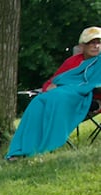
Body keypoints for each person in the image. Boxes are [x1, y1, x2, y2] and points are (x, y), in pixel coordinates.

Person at [8, 26, 101, 157]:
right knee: (38, 102)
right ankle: (20, 148)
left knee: (56, 101)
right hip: (61, 92)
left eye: (99, 42)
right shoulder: (72, 62)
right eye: (92, 42)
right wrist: (48, 87)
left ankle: (42, 147)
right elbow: (53, 80)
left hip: (86, 98)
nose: (96, 46)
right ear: (82, 46)